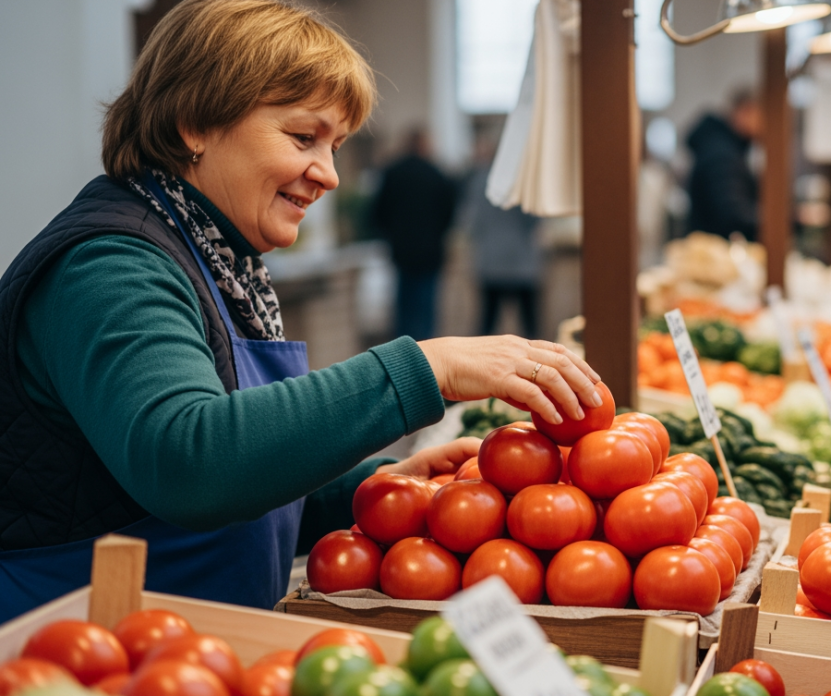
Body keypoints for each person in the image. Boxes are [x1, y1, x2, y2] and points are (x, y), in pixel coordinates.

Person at [0, 0, 604, 623]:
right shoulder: (110, 266)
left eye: (336, 145)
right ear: (193, 123)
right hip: (73, 652)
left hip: (194, 643)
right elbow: (189, 464)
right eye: (303, 137)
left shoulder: (219, 259)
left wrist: (368, 488)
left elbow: (242, 494)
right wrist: (425, 367)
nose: (330, 174)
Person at [370, 128, 459, 341]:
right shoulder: (437, 174)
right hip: (430, 252)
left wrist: (392, 235)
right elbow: (449, 215)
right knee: (426, 309)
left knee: (404, 309)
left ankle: (404, 354)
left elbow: (377, 212)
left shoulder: (392, 173)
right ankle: (426, 354)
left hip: (402, 251)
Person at [463, 127, 542, 338]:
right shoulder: (523, 181)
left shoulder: (480, 180)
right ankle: (536, 367)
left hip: (491, 259)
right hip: (521, 260)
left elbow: (471, 220)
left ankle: (478, 369)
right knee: (529, 326)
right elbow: (534, 219)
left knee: (487, 325)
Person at [686, 90, 762, 241]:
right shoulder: (722, 155)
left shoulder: (724, 148)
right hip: (715, 255)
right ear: (746, 112)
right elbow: (734, 215)